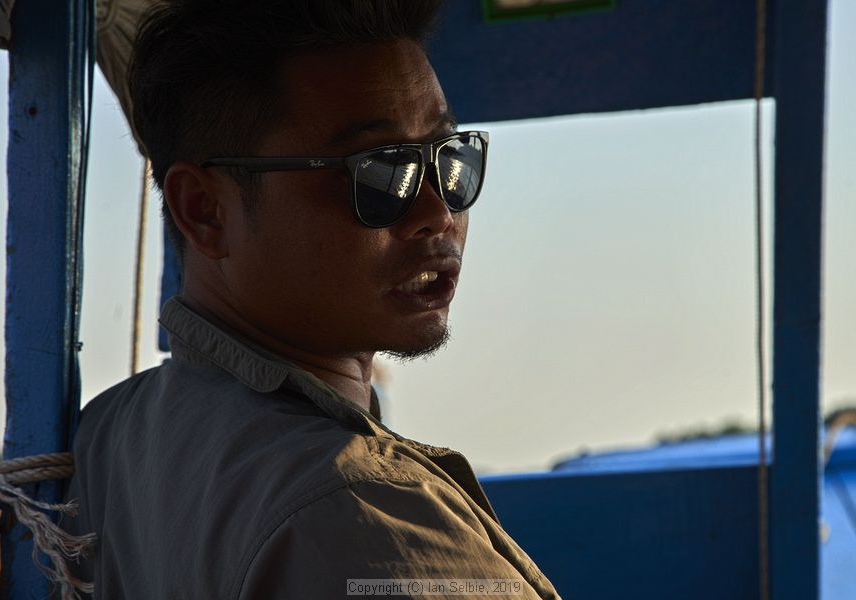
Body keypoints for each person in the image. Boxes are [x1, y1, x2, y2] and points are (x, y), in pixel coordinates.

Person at [62, 1, 560, 598]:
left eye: (450, 158)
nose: (437, 213)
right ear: (205, 210)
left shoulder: (109, 436)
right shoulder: (366, 515)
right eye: (380, 173)